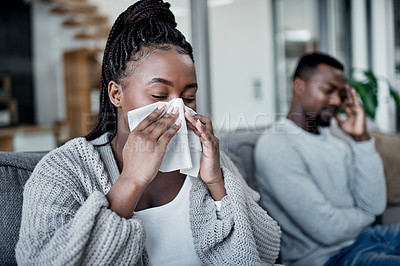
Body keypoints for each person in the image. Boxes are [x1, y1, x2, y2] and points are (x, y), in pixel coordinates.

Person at [15, 0, 281, 265]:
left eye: (188, 98)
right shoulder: (65, 170)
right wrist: (131, 180)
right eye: (159, 95)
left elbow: (266, 251)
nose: (176, 109)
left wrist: (217, 184)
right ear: (116, 94)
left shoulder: (206, 157)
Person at [254, 52, 400, 266]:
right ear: (299, 86)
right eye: (327, 90)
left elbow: (374, 205)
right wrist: (366, 215)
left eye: (340, 93)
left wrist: (362, 138)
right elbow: (328, 230)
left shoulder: (337, 136)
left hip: (369, 238)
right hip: (331, 258)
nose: (336, 101)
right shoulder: (276, 145)